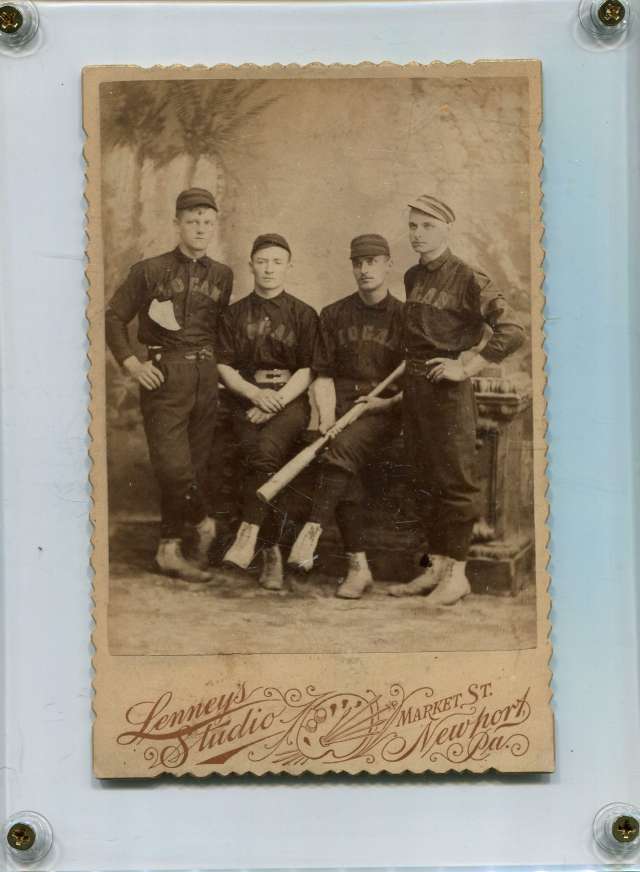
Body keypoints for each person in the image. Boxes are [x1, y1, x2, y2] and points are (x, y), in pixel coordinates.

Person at [389, 194, 525, 604]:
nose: (418, 234)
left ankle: (459, 576)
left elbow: (512, 330)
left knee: (456, 482)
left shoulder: (469, 277)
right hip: (414, 390)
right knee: (423, 479)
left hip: (447, 392)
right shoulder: (414, 277)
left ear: (448, 228)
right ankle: (436, 571)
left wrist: (465, 368)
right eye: (413, 225)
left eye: (427, 226)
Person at [105, 187, 233, 582]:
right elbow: (112, 318)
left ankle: (169, 548)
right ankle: (204, 523)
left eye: (207, 222)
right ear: (176, 223)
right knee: (173, 467)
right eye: (192, 221)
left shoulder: (223, 275)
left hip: (206, 376)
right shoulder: (149, 270)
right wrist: (131, 363)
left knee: (193, 465)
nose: (200, 228)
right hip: (165, 375)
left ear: (214, 226)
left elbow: (221, 333)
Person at [268, 234, 405, 598]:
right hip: (340, 409)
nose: (364, 270)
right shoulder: (333, 314)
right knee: (337, 454)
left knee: (338, 452)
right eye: (358, 262)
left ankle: (312, 530)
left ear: (388, 264)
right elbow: (323, 374)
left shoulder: (405, 316)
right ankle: (357, 567)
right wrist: (326, 416)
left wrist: (385, 404)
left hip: (382, 411)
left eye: (373, 262)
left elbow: (411, 386)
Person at [216, 234, 318, 581]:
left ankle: (250, 538)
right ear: (251, 266)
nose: (269, 268)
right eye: (262, 261)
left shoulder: (303, 313)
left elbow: (308, 368)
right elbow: (224, 365)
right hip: (246, 398)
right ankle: (271, 551)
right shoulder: (233, 314)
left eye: (277, 261)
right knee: (256, 455)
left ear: (288, 266)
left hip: (288, 401)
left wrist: (275, 402)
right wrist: (254, 395)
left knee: (265, 453)